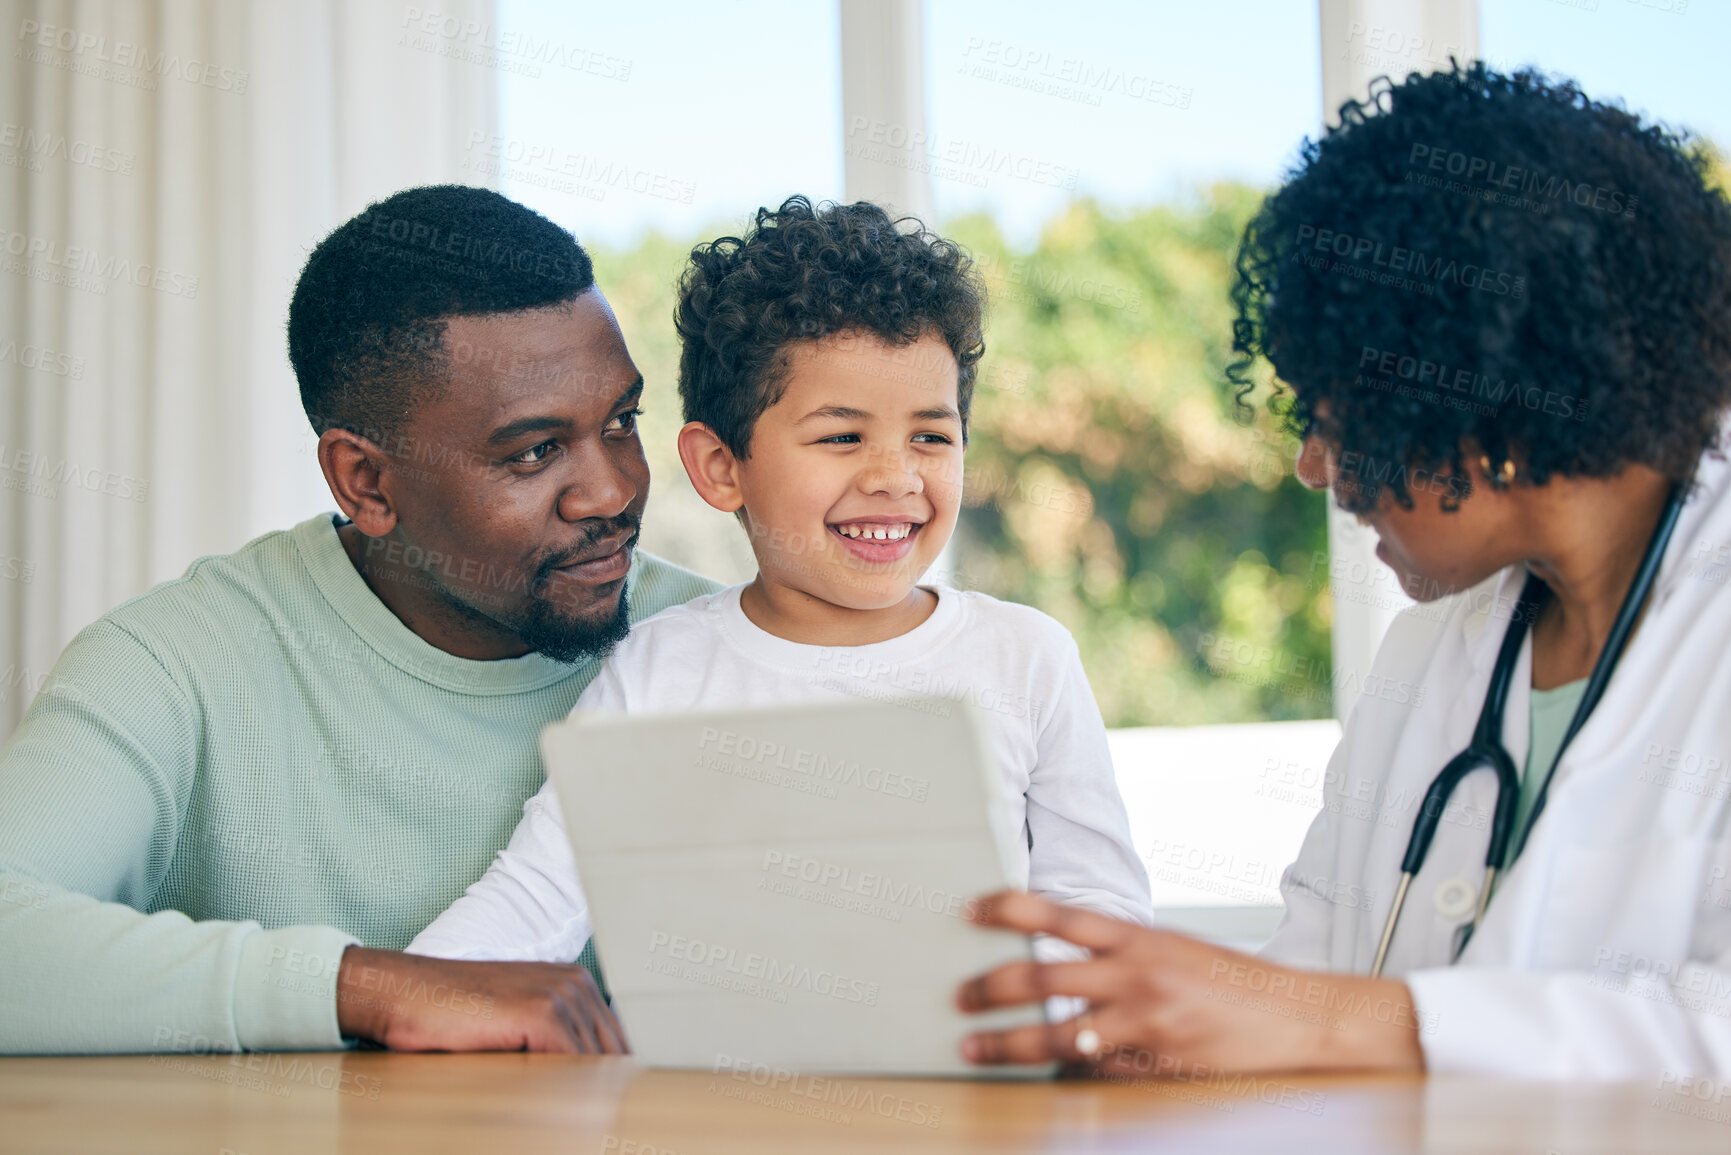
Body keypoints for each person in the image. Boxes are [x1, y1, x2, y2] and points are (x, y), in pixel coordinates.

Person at [953, 63, 1731, 1080]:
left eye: (1329, 415)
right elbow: (1316, 981)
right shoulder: (1431, 657)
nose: (1312, 465)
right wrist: (1159, 1038)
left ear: (1479, 395)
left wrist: (1345, 1026)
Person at [0, 185, 722, 1054]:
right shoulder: (174, 660)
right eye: (533, 451)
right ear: (366, 483)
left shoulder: (713, 647)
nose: (611, 491)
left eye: (620, 422)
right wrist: (371, 987)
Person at [407, 196, 1153, 965]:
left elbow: (1099, 909)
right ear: (720, 467)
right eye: (841, 436)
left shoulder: (1025, 655)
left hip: (990, 1078)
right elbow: (535, 899)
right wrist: (403, 1003)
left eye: (931, 435)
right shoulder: (658, 669)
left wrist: (1040, 1014)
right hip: (722, 1083)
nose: (895, 477)